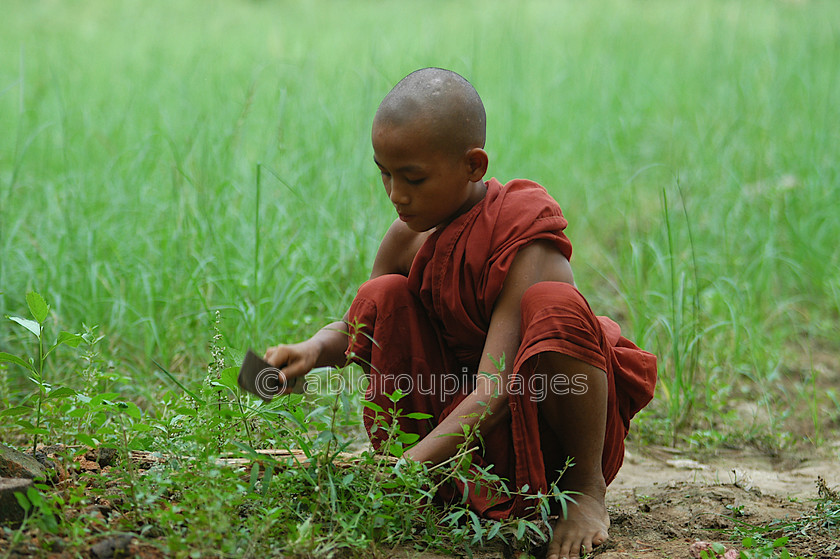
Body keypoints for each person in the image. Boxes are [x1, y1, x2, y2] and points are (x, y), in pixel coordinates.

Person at [264, 67, 657, 559]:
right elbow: (360, 326)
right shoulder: (407, 235)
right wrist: (312, 351)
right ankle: (435, 481)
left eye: (414, 178)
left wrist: (404, 469)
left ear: (473, 165)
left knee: (555, 305)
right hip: (451, 428)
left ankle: (583, 493)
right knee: (382, 294)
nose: (396, 194)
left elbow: (497, 388)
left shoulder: (523, 236)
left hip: (536, 426)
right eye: (384, 173)